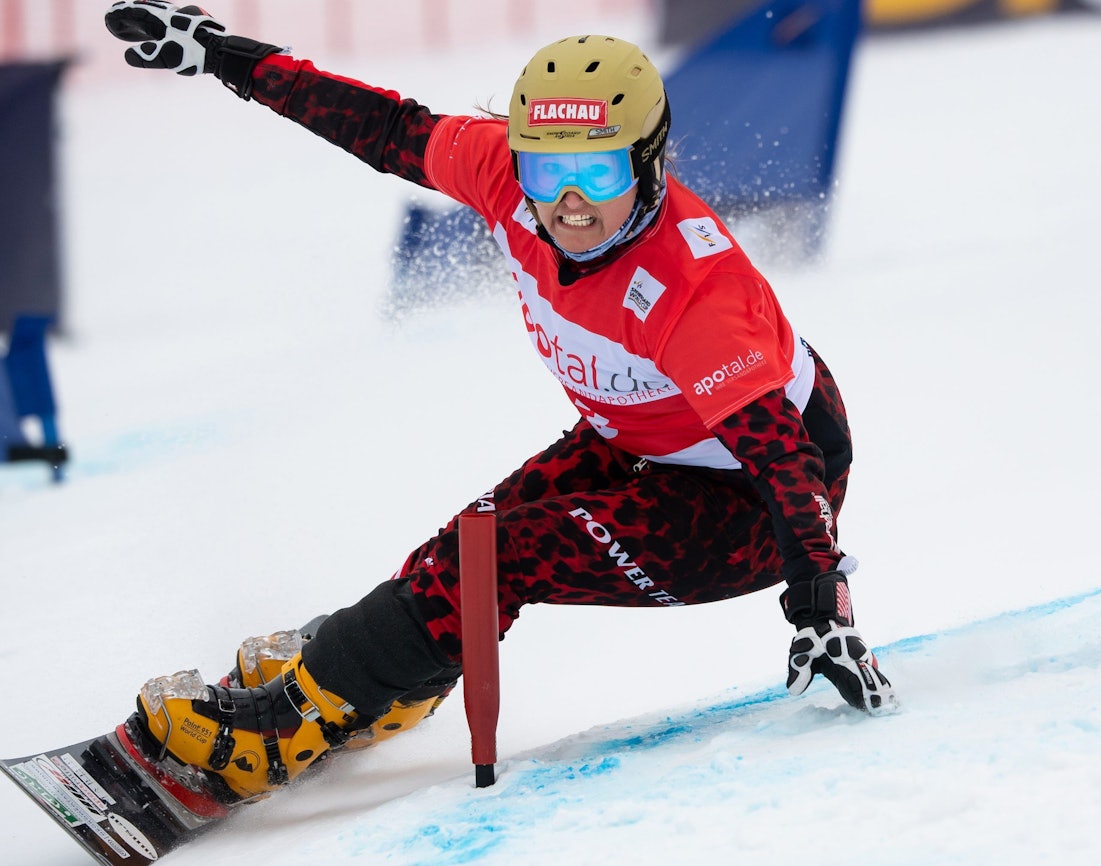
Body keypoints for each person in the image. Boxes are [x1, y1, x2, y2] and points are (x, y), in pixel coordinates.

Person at [103, 1, 898, 811]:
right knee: (467, 545)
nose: (571, 205)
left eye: (601, 173)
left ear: (651, 159)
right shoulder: (501, 178)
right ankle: (378, 683)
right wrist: (231, 60)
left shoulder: (692, 290)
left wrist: (818, 599)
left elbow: (782, 456)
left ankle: (284, 724)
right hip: (650, 441)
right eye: (548, 174)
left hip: (756, 505)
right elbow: (384, 129)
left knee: (502, 558)